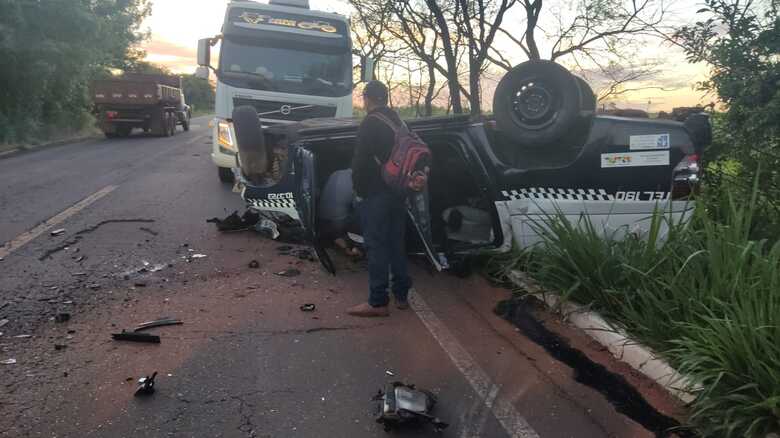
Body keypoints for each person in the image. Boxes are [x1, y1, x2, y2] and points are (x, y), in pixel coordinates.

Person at [347, 80, 412, 317]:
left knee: (376, 246)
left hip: (376, 193)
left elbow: (360, 161)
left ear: (368, 98)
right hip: (399, 192)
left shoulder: (370, 123)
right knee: (397, 244)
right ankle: (402, 296)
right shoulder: (399, 122)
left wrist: (359, 190)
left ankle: (377, 302)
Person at [318, 168, 362, 258]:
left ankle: (337, 238)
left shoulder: (336, 173)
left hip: (321, 218)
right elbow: (358, 206)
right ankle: (353, 246)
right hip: (338, 223)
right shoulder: (357, 179)